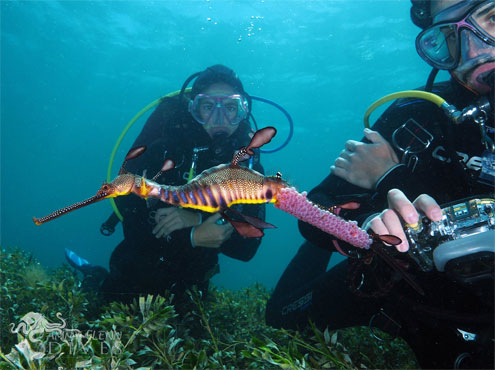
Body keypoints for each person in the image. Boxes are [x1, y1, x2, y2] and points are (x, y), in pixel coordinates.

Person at [266, 1, 494, 369]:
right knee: (281, 316)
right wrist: (365, 226)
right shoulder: (417, 116)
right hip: (406, 293)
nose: (473, 51)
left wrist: (392, 177)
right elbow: (319, 206)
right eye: (448, 38)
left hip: (469, 312)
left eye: (492, 19)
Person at [70, 65, 266, 311]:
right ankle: (94, 276)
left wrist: (196, 218)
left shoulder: (247, 161)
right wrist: (193, 236)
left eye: (230, 108)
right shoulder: (165, 147)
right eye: (208, 107)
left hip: (193, 286)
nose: (219, 120)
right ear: (192, 109)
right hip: (134, 275)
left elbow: (247, 248)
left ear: (243, 113)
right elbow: (128, 213)